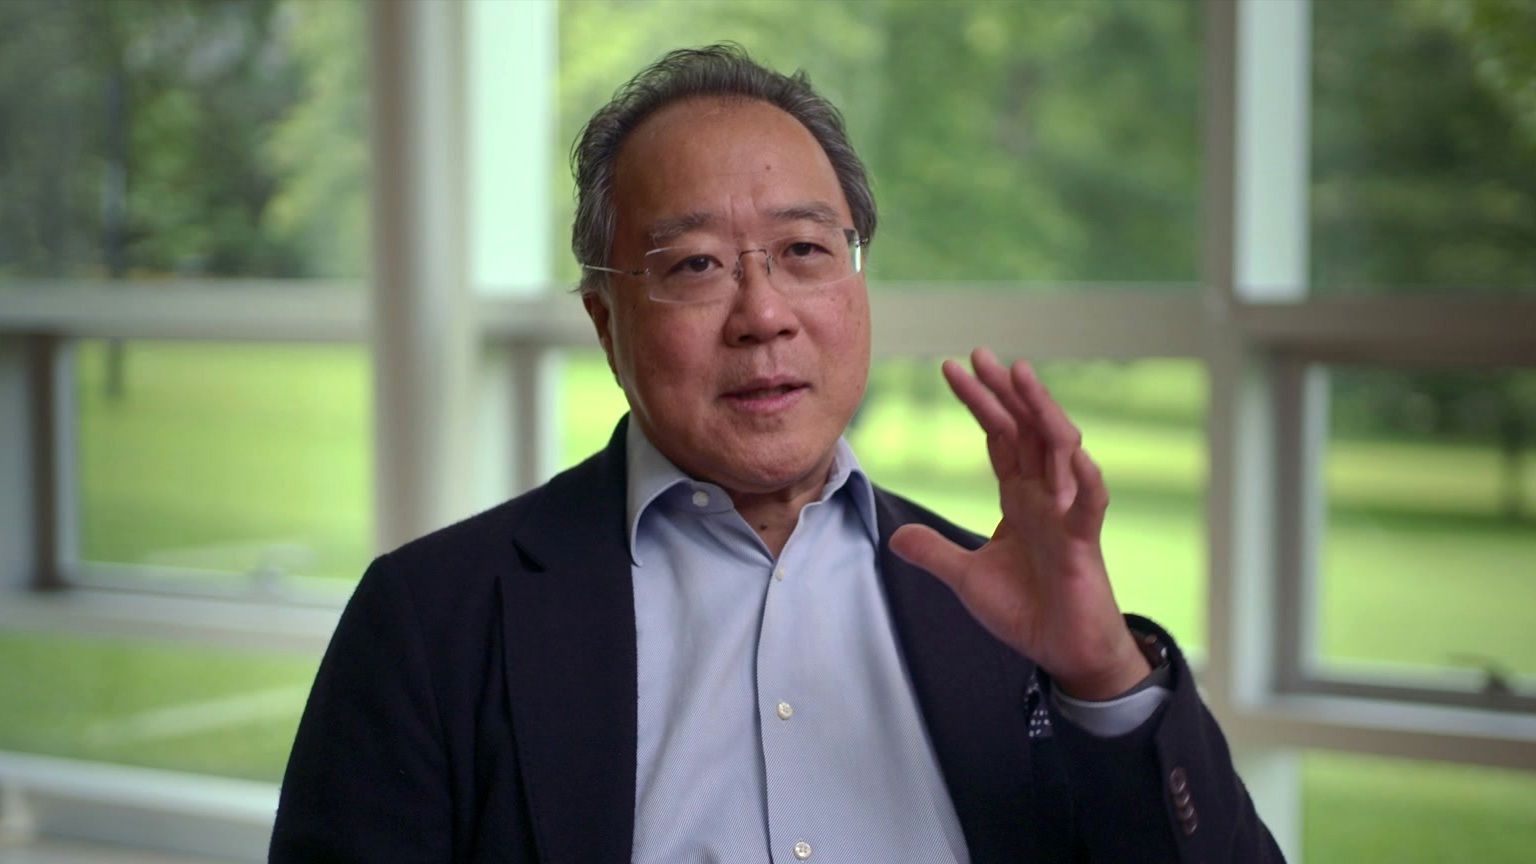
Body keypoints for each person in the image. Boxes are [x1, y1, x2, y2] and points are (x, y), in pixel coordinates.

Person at [270, 44, 1282, 863]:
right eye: (695, 265)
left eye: (803, 251)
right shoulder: (432, 622)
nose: (762, 315)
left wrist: (1102, 676)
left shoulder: (999, 613)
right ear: (607, 323)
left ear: (857, 284)